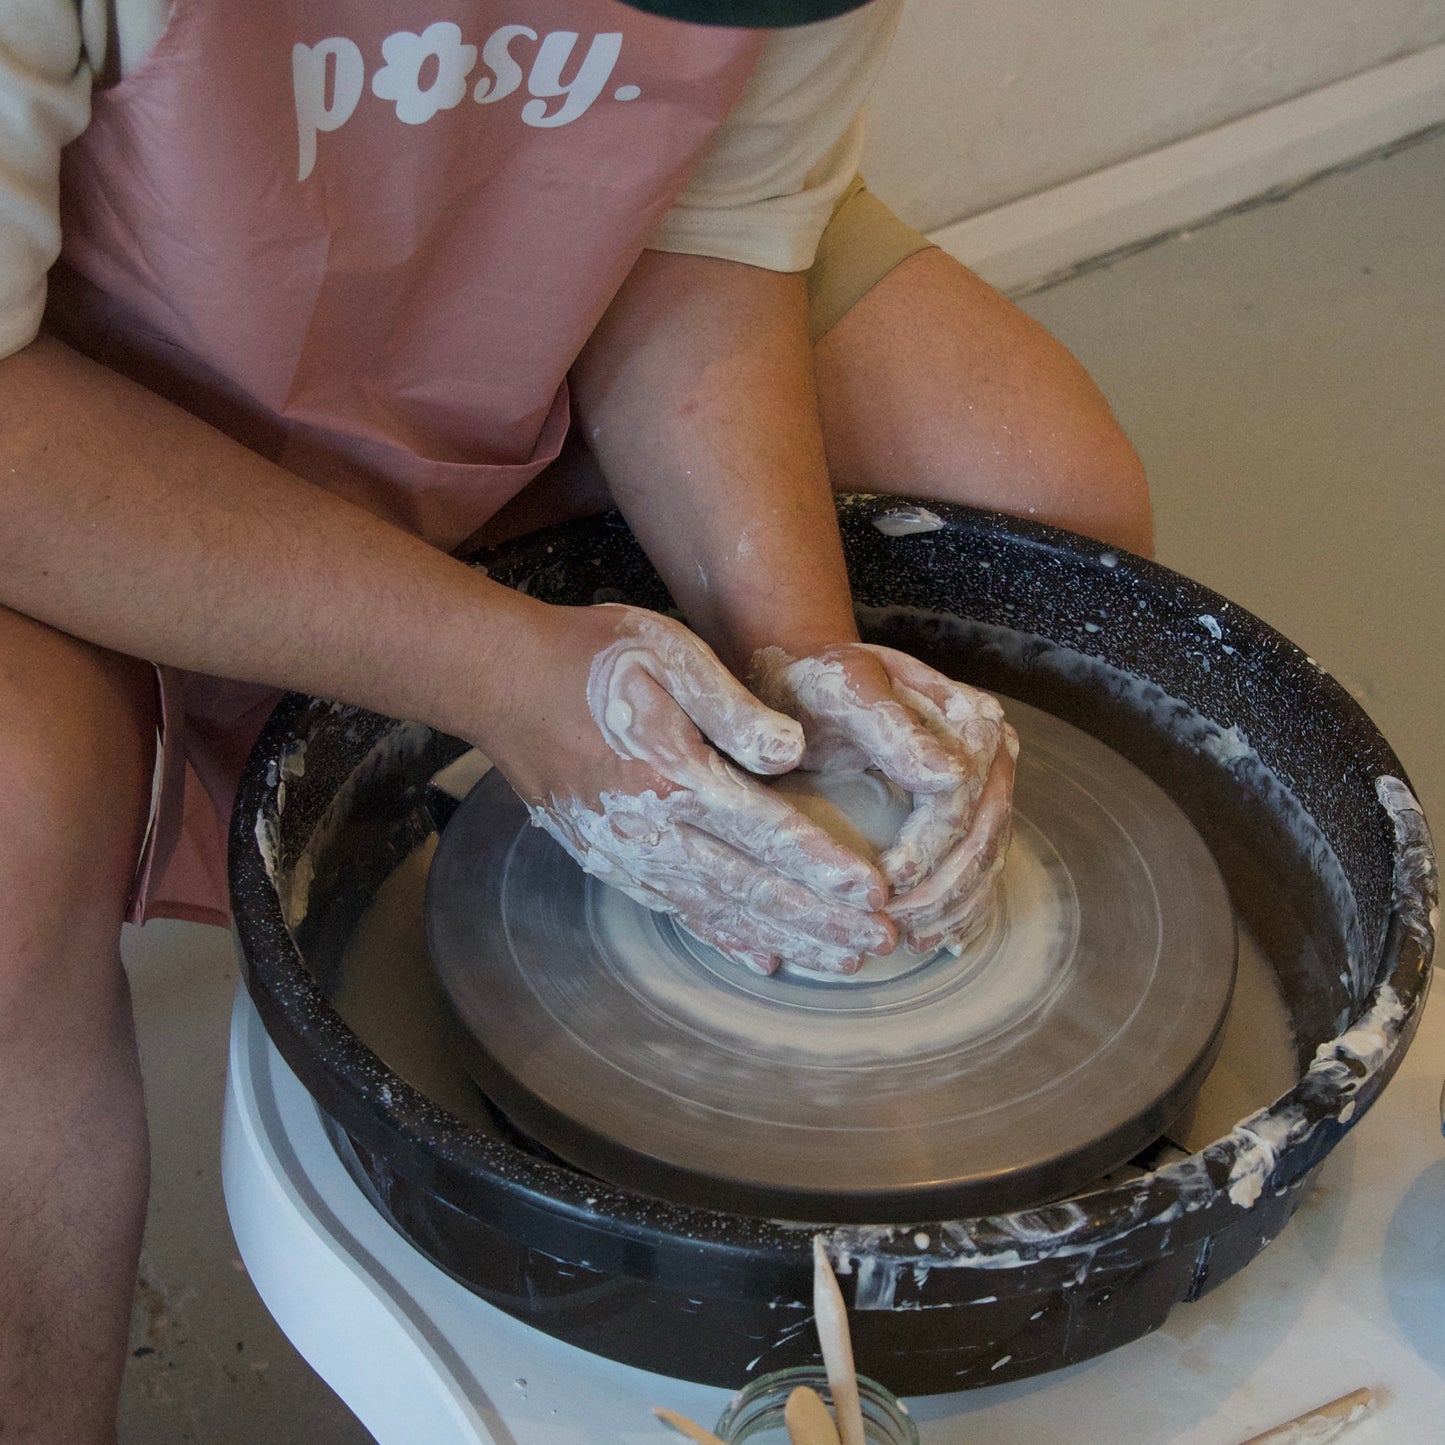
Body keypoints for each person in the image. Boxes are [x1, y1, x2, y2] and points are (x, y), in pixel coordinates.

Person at [0, 0, 1150, 1436]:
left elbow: (700, 219)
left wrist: (794, 644)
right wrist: (500, 673)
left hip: (507, 274)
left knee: (1040, 504)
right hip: (80, 374)